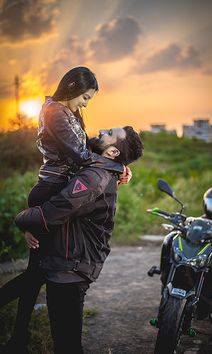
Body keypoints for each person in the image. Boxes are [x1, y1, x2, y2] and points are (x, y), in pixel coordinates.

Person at [0, 67, 130, 353]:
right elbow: (80, 155)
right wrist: (115, 164)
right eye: (85, 97)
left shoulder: (67, 113)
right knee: (37, 272)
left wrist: (118, 161)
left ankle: (18, 339)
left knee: (38, 270)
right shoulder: (55, 112)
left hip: (55, 189)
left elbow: (88, 147)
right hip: (50, 191)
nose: (86, 103)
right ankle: (17, 338)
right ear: (72, 87)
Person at [14, 126, 144, 354]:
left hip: (70, 269)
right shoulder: (97, 168)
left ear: (113, 152)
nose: (103, 130)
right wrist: (120, 166)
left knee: (67, 346)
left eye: (110, 133)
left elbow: (50, 214)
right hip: (67, 263)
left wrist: (21, 219)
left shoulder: (94, 178)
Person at [159, 186, 212, 319]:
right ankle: (165, 275)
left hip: (208, 257)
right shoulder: (199, 221)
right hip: (194, 253)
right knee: (170, 238)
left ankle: (206, 298)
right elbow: (189, 228)